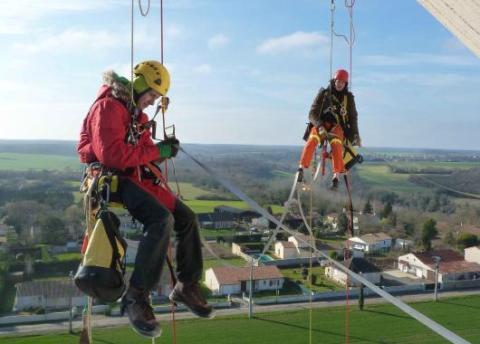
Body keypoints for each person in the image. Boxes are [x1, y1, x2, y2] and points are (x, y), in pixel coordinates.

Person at [77, 60, 213, 338]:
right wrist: (157, 152)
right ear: (139, 85)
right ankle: (135, 297)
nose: (151, 103)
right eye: (151, 95)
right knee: (160, 219)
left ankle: (186, 284)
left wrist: (163, 150)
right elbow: (112, 155)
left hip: (133, 175)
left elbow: (144, 149)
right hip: (112, 178)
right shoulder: (109, 107)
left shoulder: (132, 113)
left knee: (186, 217)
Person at [298, 69, 361, 189]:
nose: (339, 84)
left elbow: (353, 117)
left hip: (336, 127)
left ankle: (336, 177)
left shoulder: (348, 98)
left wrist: (355, 135)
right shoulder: (324, 93)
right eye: (338, 81)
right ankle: (301, 168)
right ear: (334, 81)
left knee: (337, 145)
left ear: (345, 84)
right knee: (312, 140)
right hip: (320, 124)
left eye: (342, 82)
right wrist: (320, 126)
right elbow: (312, 113)